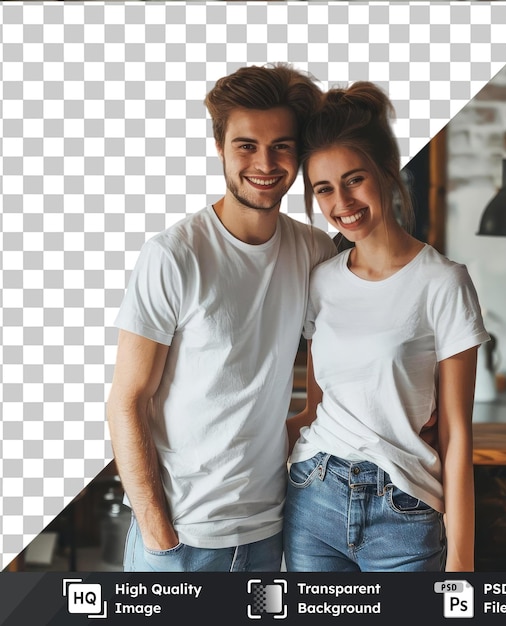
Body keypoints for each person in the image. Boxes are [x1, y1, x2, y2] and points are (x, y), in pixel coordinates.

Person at [106, 63, 336, 572]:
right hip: (182, 538)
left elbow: (331, 387)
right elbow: (127, 400)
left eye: (282, 145)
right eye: (247, 145)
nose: (265, 162)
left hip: (272, 529)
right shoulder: (174, 256)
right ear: (220, 148)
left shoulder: (314, 251)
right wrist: (155, 528)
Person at [284, 82, 490, 572]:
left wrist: (460, 567)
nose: (342, 202)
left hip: (404, 510)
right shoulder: (321, 280)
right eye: (324, 189)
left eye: (354, 179)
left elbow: (457, 437)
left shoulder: (443, 282)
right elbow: (315, 408)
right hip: (313, 496)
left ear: (387, 171)